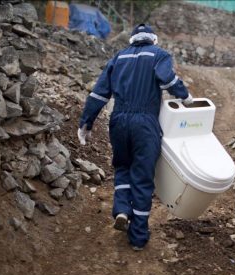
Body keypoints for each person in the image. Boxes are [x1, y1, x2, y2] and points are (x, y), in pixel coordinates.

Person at [77, 24, 192, 251]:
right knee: (142, 176)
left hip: (118, 121)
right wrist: (185, 96)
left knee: (122, 167)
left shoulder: (118, 57)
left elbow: (99, 92)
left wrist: (86, 123)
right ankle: (138, 237)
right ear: (153, 39)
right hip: (145, 124)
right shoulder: (159, 55)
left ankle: (121, 210)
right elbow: (166, 78)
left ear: (132, 40)